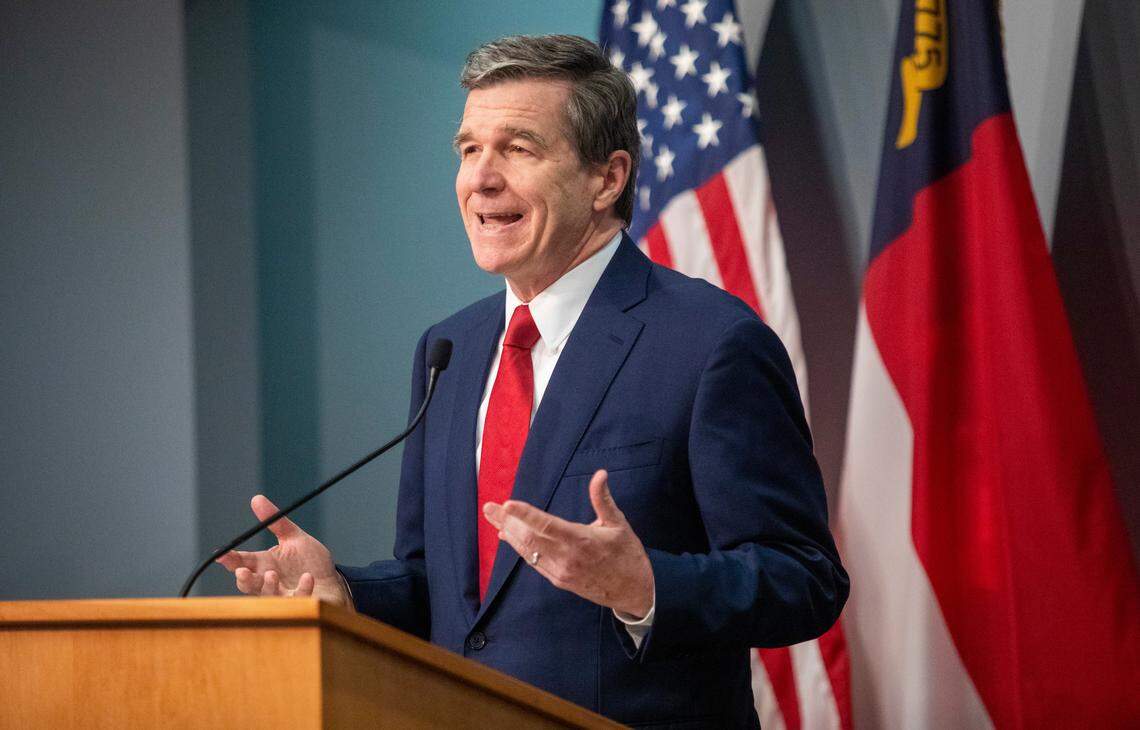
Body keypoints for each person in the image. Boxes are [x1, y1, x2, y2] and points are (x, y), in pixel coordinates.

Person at [218, 34, 847, 728]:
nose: (480, 178)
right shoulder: (449, 349)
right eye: (468, 150)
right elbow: (450, 591)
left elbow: (804, 577)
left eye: (518, 148)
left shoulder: (709, 342)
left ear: (606, 178)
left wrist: (646, 586)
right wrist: (343, 591)